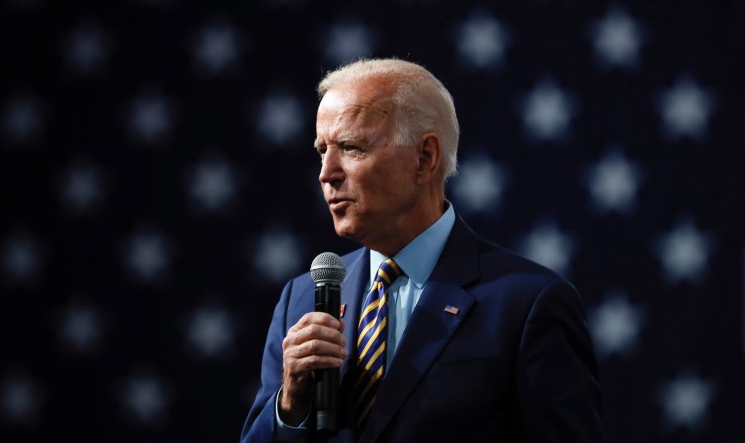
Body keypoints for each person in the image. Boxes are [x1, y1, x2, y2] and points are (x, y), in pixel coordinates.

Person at [241, 58, 603, 443]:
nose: (326, 173)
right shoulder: (300, 299)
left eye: (351, 147)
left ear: (425, 158)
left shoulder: (528, 304)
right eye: (322, 150)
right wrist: (290, 407)